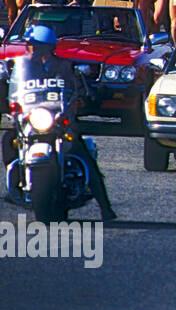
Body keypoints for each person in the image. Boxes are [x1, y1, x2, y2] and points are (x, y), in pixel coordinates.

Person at [4, 24, 115, 221]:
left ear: (48, 47)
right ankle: (17, 179)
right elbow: (14, 90)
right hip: (32, 120)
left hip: (59, 121)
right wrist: (12, 105)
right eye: (31, 45)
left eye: (36, 46)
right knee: (8, 139)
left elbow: (80, 89)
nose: (32, 49)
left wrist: (82, 98)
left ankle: (104, 206)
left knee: (84, 154)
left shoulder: (64, 67)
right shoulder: (23, 67)